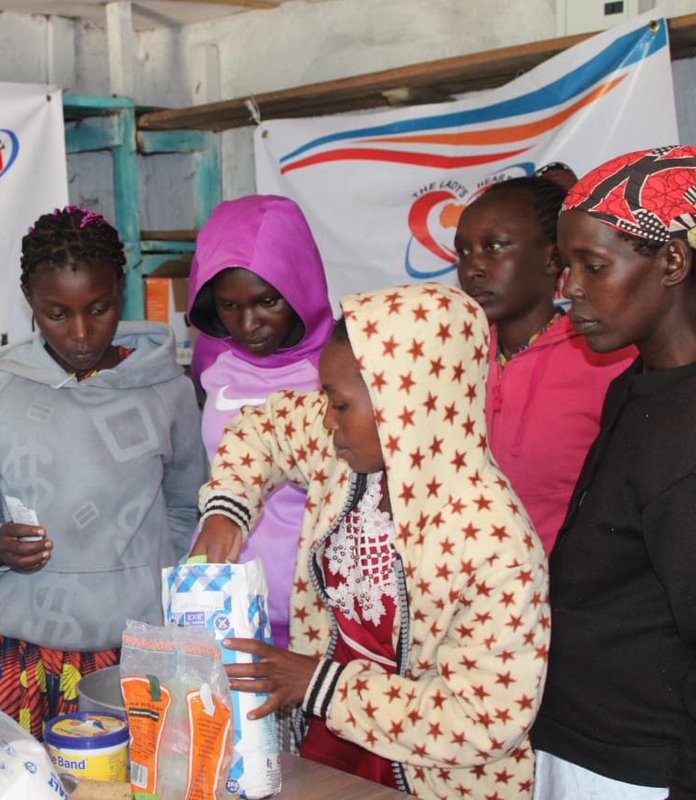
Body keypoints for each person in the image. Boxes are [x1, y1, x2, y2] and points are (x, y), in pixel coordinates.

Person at [192, 282, 549, 797]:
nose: (326, 421)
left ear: (406, 405)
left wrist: (320, 685)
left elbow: (483, 719)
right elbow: (262, 427)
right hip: (330, 740)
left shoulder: (496, 545)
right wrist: (227, 508)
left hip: (438, 775)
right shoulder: (346, 456)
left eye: (338, 405)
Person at [0, 205, 206, 738]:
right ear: (31, 307)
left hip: (136, 655)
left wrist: (139, 578)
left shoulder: (166, 390)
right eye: (57, 314)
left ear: (122, 293)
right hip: (23, 655)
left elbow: (187, 508)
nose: (82, 332)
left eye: (100, 308)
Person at [531, 145, 696, 799]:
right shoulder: (639, 382)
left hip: (640, 766)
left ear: (672, 263)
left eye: (592, 267)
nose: (566, 291)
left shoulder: (687, 440)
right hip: (584, 740)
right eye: (565, 266)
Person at [455, 176, 634, 552]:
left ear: (553, 258)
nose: (473, 268)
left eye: (494, 247)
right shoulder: (453, 358)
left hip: (576, 596)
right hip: (475, 597)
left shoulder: (605, 357)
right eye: (464, 252)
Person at [186, 194, 333, 651]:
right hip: (226, 602)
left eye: (267, 301)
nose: (248, 324)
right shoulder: (214, 357)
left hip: (318, 610)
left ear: (301, 282)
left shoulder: (343, 364)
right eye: (228, 306)